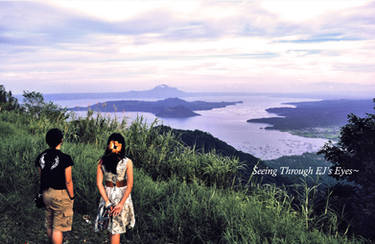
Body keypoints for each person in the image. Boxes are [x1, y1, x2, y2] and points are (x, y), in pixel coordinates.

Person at [35, 128, 75, 244]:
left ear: (47, 141)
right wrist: (71, 197)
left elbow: (41, 176)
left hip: (46, 193)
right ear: (61, 140)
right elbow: (68, 181)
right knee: (58, 228)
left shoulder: (41, 157)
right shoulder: (65, 158)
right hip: (60, 195)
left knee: (49, 222)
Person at [95, 133, 135, 244]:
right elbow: (130, 184)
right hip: (122, 194)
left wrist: (107, 202)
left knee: (112, 228)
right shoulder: (127, 162)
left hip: (107, 194)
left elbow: (99, 184)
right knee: (115, 229)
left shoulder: (102, 161)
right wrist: (121, 203)